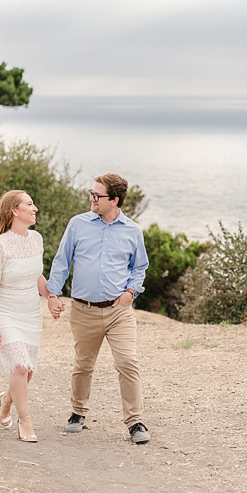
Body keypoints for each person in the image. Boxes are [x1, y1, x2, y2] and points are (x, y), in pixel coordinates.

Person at [46, 173, 151, 444]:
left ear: (114, 200)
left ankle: (135, 420)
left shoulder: (132, 231)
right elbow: (62, 261)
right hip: (84, 309)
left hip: (119, 311)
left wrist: (131, 292)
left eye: (97, 195)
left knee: (128, 361)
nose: (92, 199)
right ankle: (78, 412)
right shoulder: (77, 224)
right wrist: (53, 294)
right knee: (83, 364)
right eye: (91, 194)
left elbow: (139, 267)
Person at [0, 190, 53, 443]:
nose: (35, 208)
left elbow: (36, 276)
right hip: (5, 313)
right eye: (30, 204)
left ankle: (6, 400)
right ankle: (25, 421)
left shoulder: (37, 239)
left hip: (31, 314)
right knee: (21, 366)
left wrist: (51, 297)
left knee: (27, 372)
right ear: (14, 211)